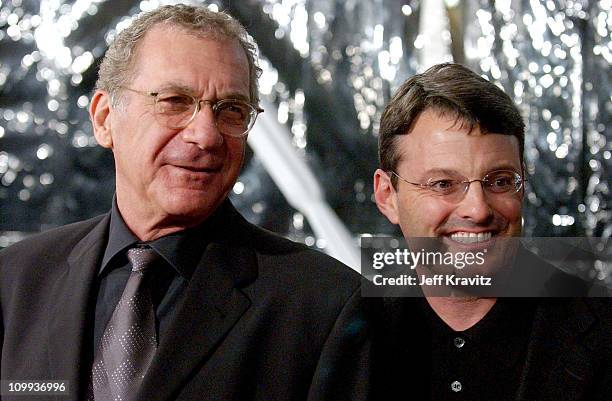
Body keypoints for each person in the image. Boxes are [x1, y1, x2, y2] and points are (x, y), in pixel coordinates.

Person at [0, 5, 372, 401]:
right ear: (105, 118)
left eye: (231, 110)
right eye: (175, 101)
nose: (206, 135)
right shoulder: (16, 280)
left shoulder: (325, 306)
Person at [372, 63, 612, 400]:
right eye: (443, 184)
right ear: (387, 196)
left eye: (500, 181)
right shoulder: (346, 334)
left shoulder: (602, 332)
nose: (479, 209)